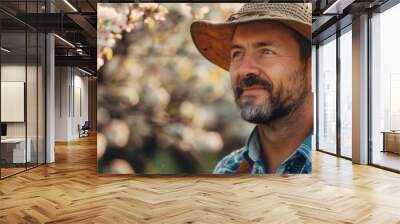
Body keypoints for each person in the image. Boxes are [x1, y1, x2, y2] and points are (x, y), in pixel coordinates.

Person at [190, 3, 313, 174]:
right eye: (237, 54)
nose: (245, 70)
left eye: (266, 51)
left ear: (313, 66)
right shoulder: (227, 170)